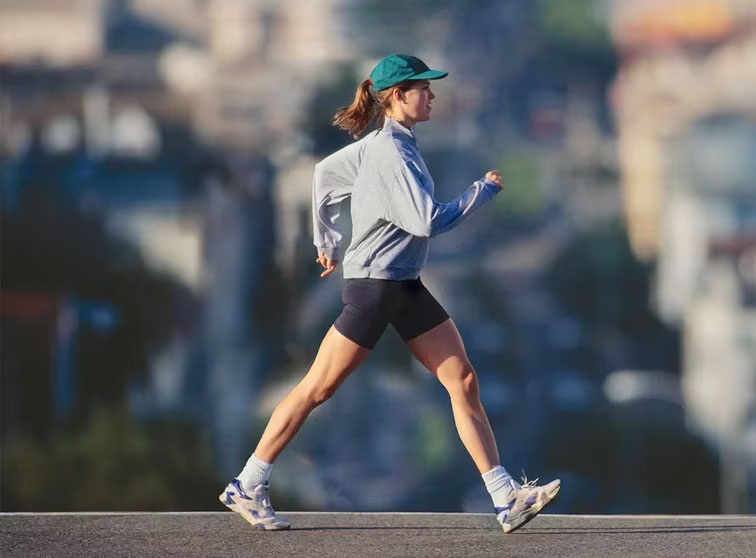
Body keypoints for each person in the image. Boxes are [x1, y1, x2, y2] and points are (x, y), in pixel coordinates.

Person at [218, 54, 560, 534]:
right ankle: (248, 483)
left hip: (403, 285)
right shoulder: (390, 153)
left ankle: (506, 498)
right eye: (424, 88)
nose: (433, 95)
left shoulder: (385, 145)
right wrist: (481, 191)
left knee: (462, 381)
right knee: (318, 388)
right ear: (398, 96)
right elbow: (426, 221)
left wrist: (327, 242)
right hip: (376, 289)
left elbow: (323, 175)